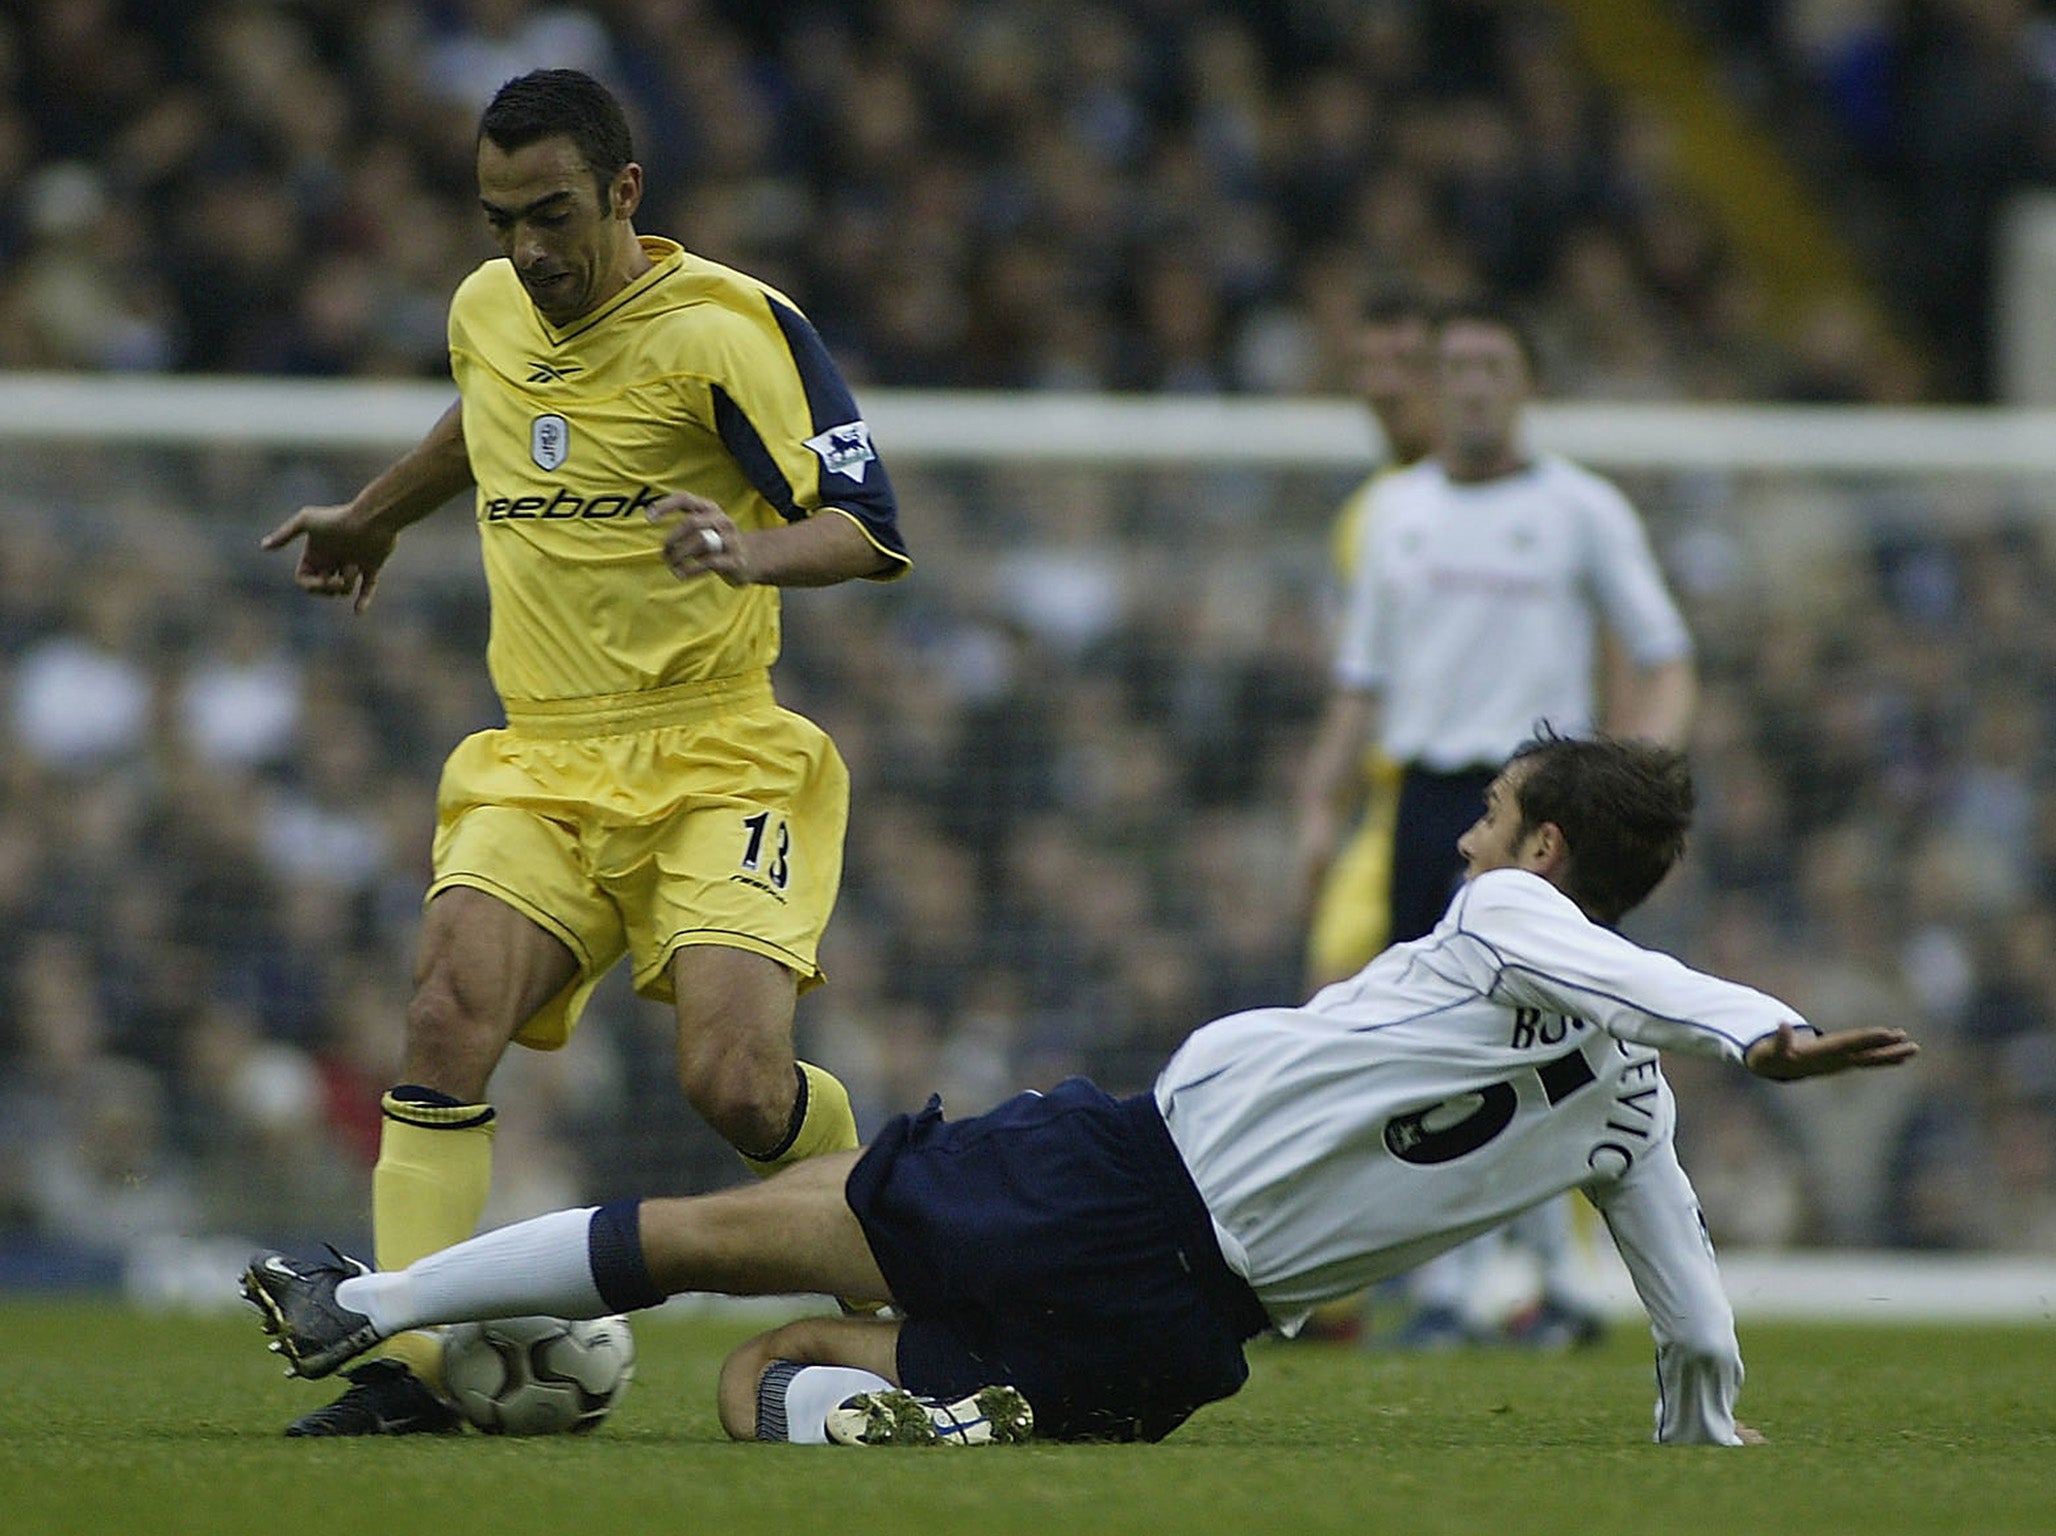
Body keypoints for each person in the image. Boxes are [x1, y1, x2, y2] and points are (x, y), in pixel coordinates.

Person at [244, 732, 1918, 1448]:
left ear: (1544, 853)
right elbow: (1690, 1311)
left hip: (1106, 1179)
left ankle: (364, 1297)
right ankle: (957, 1428)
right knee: (767, 1376)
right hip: (1189, 1341)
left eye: (1491, 815)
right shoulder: (1634, 1112)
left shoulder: (1503, 917)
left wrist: (1761, 1026)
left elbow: (1634, 977)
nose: (1468, 837)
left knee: (703, 1242)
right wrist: (1701, 1428)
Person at [257, 69, 910, 1436]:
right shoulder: (487, 309)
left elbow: (867, 523)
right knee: (445, 1014)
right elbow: (488, 423)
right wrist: (376, 516)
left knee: (733, 1085)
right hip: (541, 759)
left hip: (718, 754)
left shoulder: (731, 329)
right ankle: (412, 1364)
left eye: (551, 214)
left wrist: (745, 550)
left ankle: (899, 1247)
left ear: (623, 192)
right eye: (500, 219)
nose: (527, 249)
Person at [1294, 301, 1698, 1346]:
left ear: (1524, 384)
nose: (1471, 384)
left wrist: (1641, 776)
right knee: (1428, 1043)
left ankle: (1551, 1283)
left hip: (1539, 806)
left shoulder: (1580, 509)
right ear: (1435, 385)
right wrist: (1315, 801)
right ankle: (1442, 1285)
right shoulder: (1397, 513)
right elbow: (1361, 682)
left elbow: (1663, 651)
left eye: (1491, 364)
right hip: (1428, 802)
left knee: (1547, 1043)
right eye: (1456, 365)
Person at [1301, 292, 1440, 995]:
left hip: (1508, 802)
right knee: (1331, 1007)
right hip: (1395, 804)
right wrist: (1323, 798)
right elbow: (1362, 676)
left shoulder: (1533, 502)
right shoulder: (1366, 515)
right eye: (1367, 364)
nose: (1384, 384)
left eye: (1405, 362)